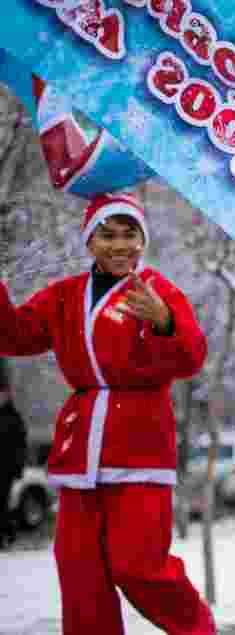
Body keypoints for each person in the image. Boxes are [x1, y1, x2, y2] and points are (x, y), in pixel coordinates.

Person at [0, 193, 214, 634]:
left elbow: (192, 356)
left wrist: (164, 322)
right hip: (80, 454)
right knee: (81, 575)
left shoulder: (157, 289)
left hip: (140, 450)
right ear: (89, 240)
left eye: (129, 234)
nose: (119, 246)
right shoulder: (65, 296)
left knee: (138, 566)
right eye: (107, 235)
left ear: (143, 239)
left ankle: (197, 628)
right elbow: (16, 335)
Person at [0, 360, 28, 548]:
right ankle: (7, 533)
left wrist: (17, 467)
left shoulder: (13, 418)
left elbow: (20, 445)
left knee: (3, 503)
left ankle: (7, 534)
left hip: (6, 468)